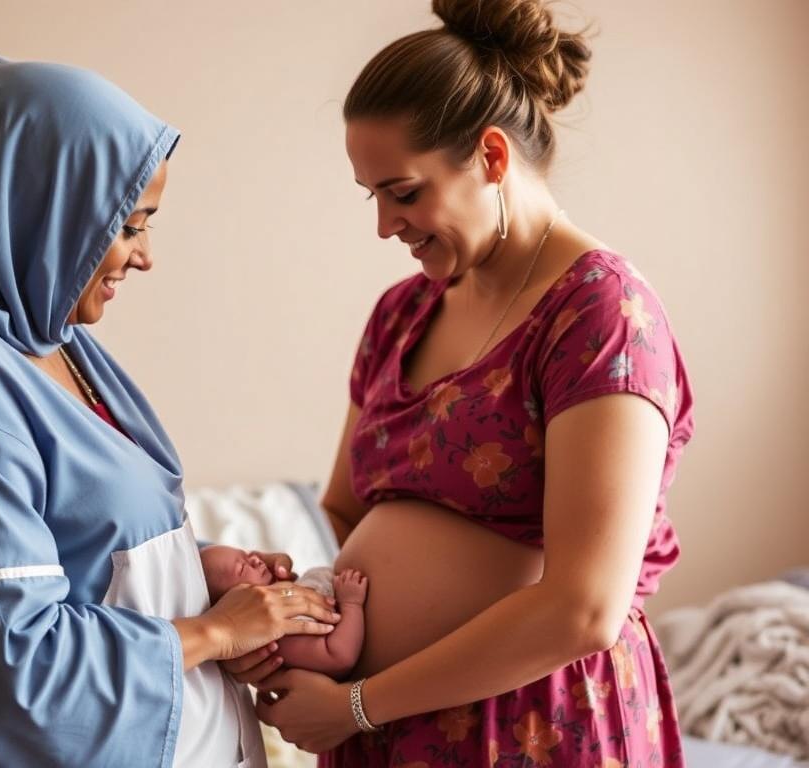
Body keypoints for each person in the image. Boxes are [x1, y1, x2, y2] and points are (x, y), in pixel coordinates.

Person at [0, 57, 339, 768]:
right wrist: (211, 635)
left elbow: (63, 557)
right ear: (41, 205)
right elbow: (1, 668)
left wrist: (202, 575)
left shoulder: (46, 342)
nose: (144, 258)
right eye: (131, 226)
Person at [251, 1, 695, 765]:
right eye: (373, 196)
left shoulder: (601, 316)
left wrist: (356, 705)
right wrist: (296, 611)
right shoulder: (402, 314)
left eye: (404, 191)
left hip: (532, 728)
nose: (386, 226)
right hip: (381, 728)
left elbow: (584, 608)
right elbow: (344, 507)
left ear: (491, 157)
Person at [197, 546, 368, 678]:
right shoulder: (281, 634)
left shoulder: (292, 592)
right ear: (232, 605)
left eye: (248, 555)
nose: (256, 559)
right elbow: (340, 657)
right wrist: (351, 604)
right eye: (242, 568)